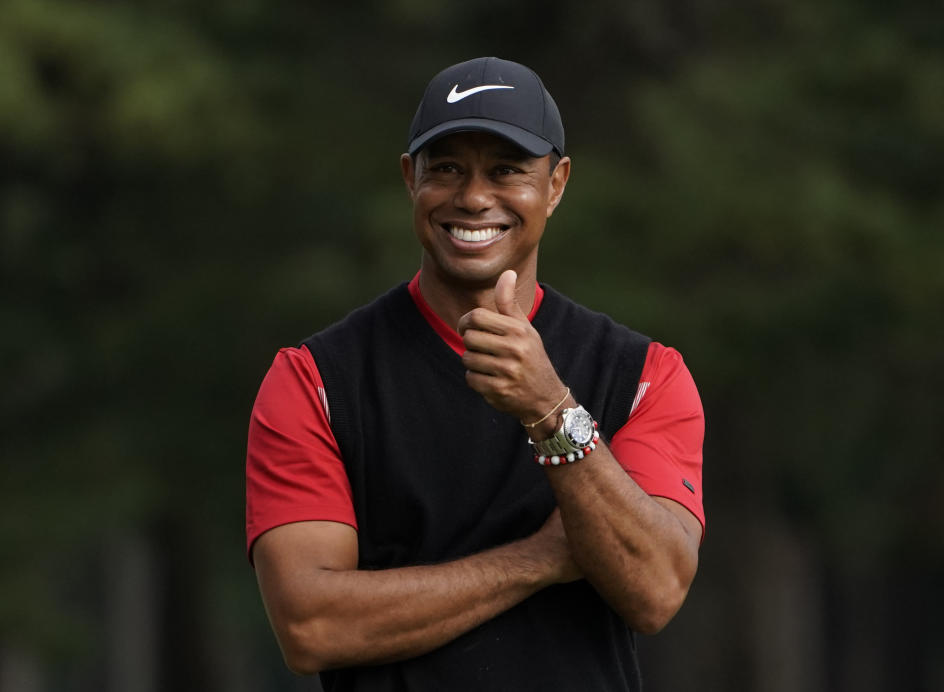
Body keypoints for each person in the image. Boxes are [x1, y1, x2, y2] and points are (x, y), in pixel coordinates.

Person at [246, 56, 705, 691]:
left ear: (557, 183)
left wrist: (550, 409)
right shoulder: (315, 380)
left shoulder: (645, 375)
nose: (473, 197)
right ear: (410, 178)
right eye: (447, 169)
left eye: (507, 170)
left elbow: (655, 590)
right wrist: (537, 561)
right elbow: (310, 627)